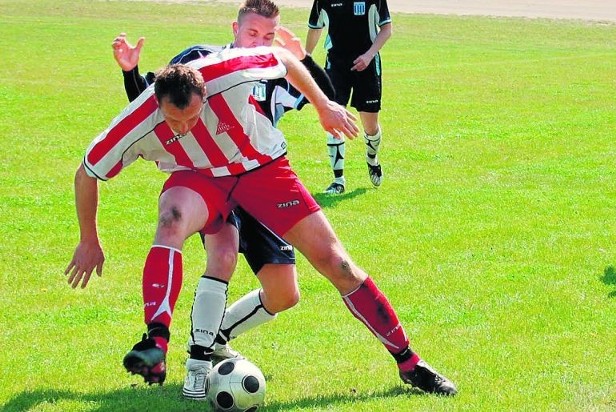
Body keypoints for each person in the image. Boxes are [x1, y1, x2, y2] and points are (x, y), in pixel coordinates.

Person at [66, 45, 457, 397]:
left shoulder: (227, 71)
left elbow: (284, 58)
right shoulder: (138, 120)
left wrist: (322, 106)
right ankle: (156, 341)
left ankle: (410, 363)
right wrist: (89, 240)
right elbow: (87, 172)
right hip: (201, 178)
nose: (184, 127)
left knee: (335, 263)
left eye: (193, 117)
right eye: (173, 121)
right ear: (157, 104)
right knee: (171, 218)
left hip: (262, 170)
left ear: (206, 94)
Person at [111, 0, 336, 401]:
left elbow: (327, 97)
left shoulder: (273, 69)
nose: (259, 42)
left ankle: (216, 336)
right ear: (235, 28)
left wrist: (298, 56)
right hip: (210, 180)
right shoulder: (199, 60)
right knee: (223, 257)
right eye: (252, 33)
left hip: (259, 180)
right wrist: (130, 70)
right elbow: (153, 103)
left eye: (267, 36)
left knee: (285, 294)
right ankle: (197, 366)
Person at [305, 0, 392, 194]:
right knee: (334, 119)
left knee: (370, 126)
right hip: (336, 66)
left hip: (367, 66)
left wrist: (369, 56)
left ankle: (372, 158)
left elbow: (386, 29)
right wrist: (306, 58)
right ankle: (338, 180)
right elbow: (315, 28)